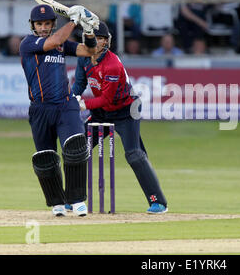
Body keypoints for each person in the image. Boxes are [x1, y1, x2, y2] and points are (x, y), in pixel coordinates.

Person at [72, 22, 168, 214]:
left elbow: (106, 98)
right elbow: (79, 85)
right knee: (77, 148)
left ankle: (158, 202)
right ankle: (74, 199)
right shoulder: (83, 58)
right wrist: (72, 98)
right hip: (102, 113)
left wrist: (83, 104)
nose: (94, 42)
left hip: (126, 112)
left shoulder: (112, 65)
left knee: (134, 155)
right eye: (90, 38)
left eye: (98, 38)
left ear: (106, 41)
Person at [19, 3, 99, 217]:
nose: (44, 27)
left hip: (65, 105)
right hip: (40, 109)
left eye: (47, 23)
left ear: (54, 24)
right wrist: (74, 20)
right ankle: (57, 202)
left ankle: (76, 200)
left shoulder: (62, 44)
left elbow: (90, 51)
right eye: (39, 24)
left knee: (75, 146)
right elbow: (55, 41)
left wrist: (88, 31)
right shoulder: (28, 43)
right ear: (33, 26)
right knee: (46, 158)